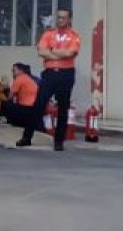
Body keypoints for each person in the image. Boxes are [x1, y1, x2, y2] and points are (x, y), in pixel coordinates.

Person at [19, 8, 80, 151]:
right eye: (59, 17)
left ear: (69, 19)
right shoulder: (48, 34)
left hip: (66, 74)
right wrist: (59, 54)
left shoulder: (74, 35)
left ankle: (59, 141)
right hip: (49, 73)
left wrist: (51, 52)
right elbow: (41, 51)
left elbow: (71, 53)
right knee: (38, 105)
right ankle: (27, 137)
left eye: (64, 17)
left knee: (63, 107)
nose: (60, 20)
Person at [2, 62, 39, 130]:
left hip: (26, 108)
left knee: (5, 103)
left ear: (21, 70)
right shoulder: (28, 78)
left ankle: (14, 123)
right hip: (35, 108)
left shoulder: (19, 79)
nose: (12, 73)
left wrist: (6, 87)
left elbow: (10, 97)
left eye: (14, 70)